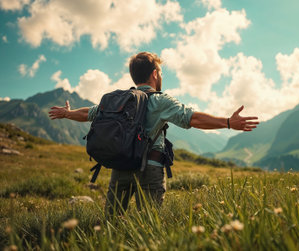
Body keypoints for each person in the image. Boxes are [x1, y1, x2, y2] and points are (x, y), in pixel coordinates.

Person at [48, 52, 259, 215]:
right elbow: (192, 118)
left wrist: (67, 114)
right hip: (149, 169)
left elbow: (90, 113)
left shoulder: (117, 101)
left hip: (120, 166)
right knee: (147, 226)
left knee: (111, 223)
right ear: (155, 74)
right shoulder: (159, 100)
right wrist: (229, 122)